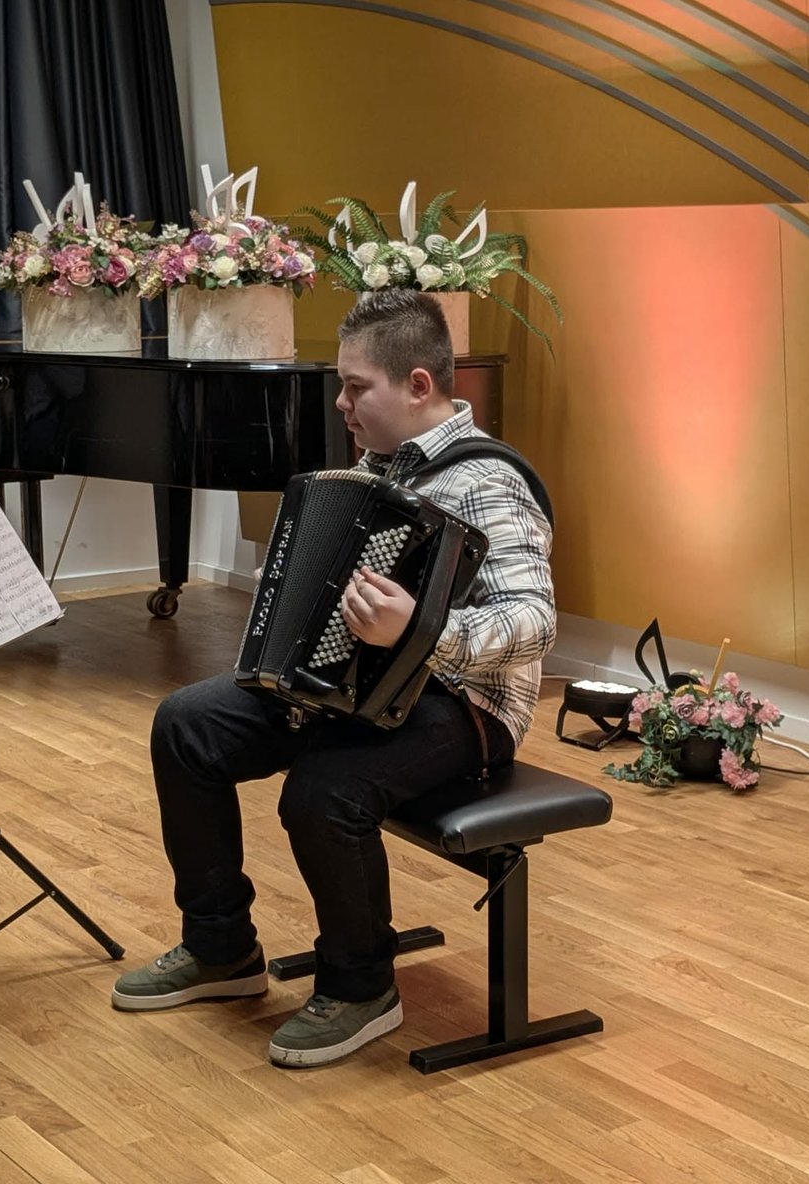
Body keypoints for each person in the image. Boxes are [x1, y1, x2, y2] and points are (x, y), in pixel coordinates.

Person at [111, 289, 556, 1067]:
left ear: (418, 385)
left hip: (467, 704)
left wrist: (420, 632)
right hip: (357, 685)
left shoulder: (486, 481)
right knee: (187, 725)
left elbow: (536, 622)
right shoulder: (376, 465)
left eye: (356, 387)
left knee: (323, 788)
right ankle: (221, 949)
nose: (341, 404)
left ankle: (361, 986)